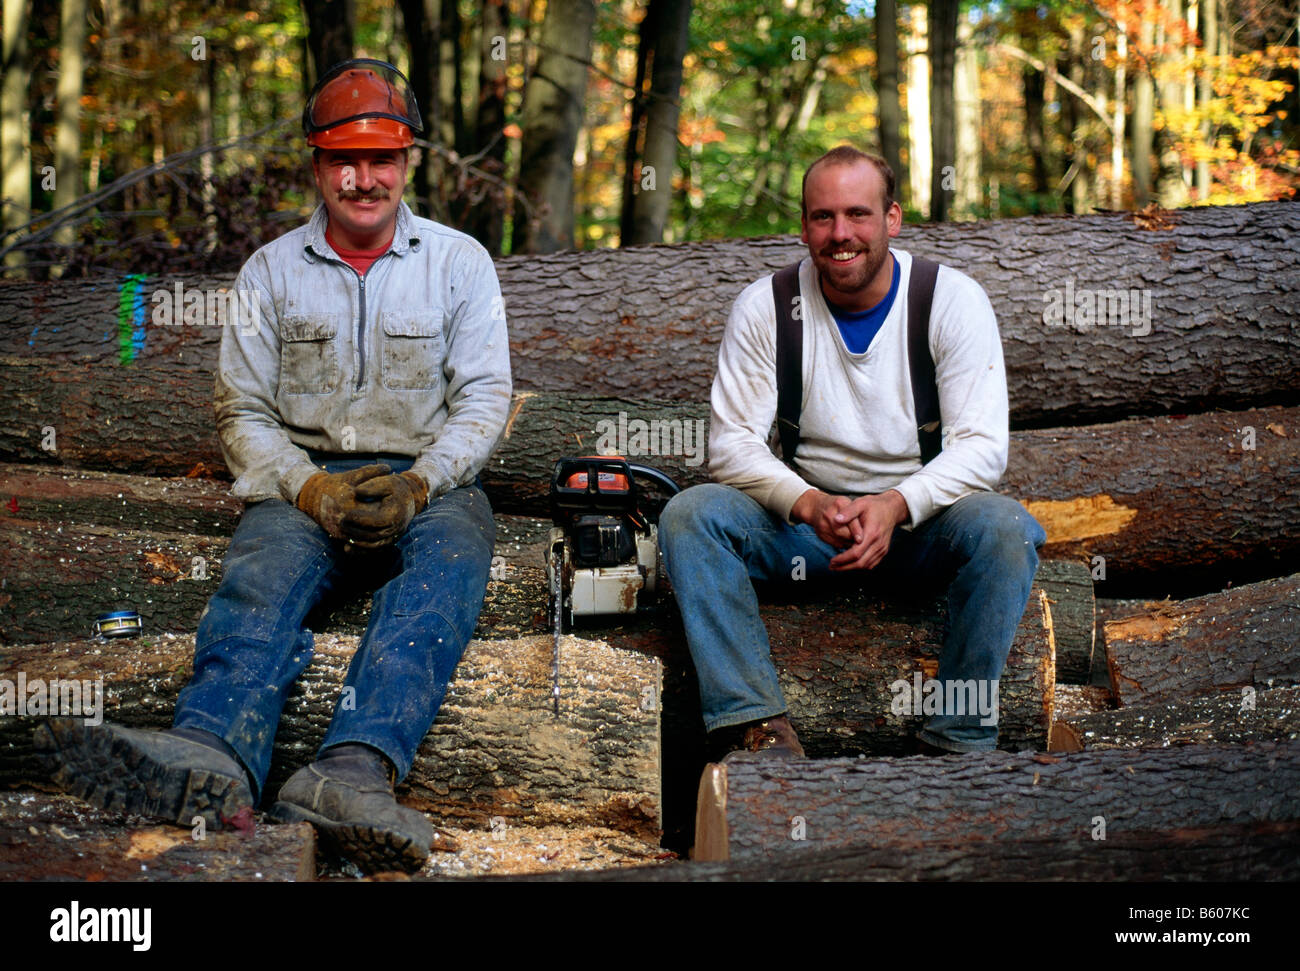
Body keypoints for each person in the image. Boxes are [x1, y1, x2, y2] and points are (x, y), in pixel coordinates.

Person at [37, 59, 512, 873]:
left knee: (453, 559)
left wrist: (421, 482)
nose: (364, 180)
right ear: (317, 164)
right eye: (343, 161)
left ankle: (351, 770)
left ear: (408, 161)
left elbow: (485, 397)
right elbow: (242, 414)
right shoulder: (270, 272)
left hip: (427, 481)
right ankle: (212, 752)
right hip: (304, 476)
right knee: (260, 576)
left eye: (381, 159)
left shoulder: (459, 263)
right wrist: (309, 487)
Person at [658, 145, 1045, 761]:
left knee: (1005, 528)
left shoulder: (949, 300)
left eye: (858, 215)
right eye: (822, 217)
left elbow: (981, 449)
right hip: (811, 537)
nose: (841, 235)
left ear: (892, 218)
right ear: (804, 224)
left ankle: (959, 742)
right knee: (692, 515)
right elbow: (729, 445)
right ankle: (758, 733)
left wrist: (894, 506)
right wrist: (809, 504)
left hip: (923, 532)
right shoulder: (767, 306)